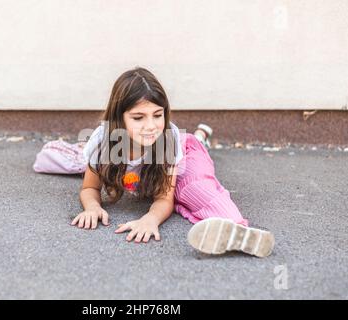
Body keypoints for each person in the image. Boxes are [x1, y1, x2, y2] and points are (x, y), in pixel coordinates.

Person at [69, 66, 275, 257]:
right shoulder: (103, 141)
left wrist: (151, 218)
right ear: (119, 119)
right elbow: (89, 188)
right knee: (71, 163)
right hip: (152, 156)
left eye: (157, 115)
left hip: (186, 151)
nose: (151, 126)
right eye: (138, 118)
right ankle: (202, 134)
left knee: (193, 189)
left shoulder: (167, 138)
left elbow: (164, 199)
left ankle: (238, 229)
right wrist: (92, 207)